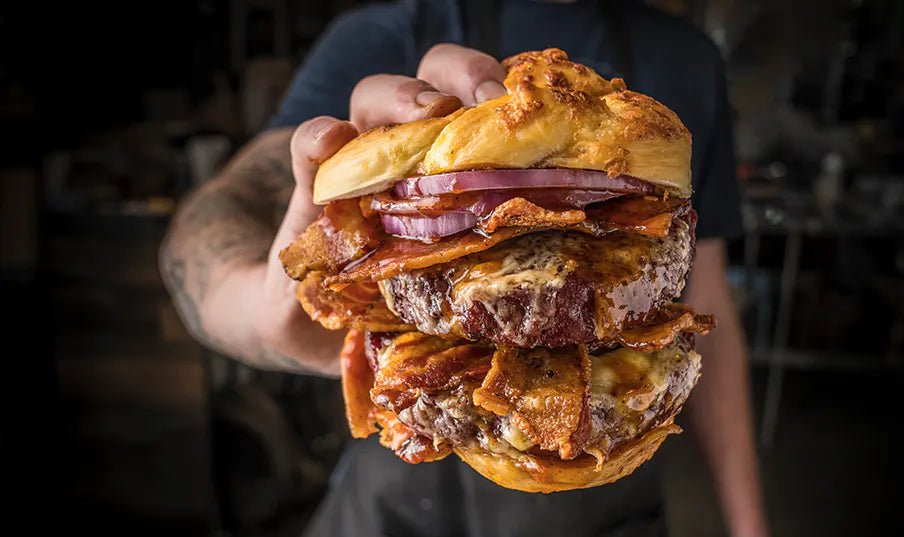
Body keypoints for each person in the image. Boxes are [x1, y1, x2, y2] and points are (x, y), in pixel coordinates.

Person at [160, 1, 768, 535]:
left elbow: (705, 302)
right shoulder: (379, 37)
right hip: (388, 514)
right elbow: (213, 218)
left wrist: (749, 527)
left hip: (611, 505)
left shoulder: (686, 62)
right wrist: (260, 315)